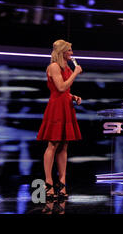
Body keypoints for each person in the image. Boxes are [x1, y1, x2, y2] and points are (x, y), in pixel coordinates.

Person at [36, 39, 83, 200]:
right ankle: (48, 183)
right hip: (56, 108)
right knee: (53, 143)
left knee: (64, 144)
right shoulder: (54, 67)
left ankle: (62, 183)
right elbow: (60, 87)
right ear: (62, 51)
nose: (71, 53)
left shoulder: (66, 67)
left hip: (66, 107)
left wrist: (73, 96)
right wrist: (76, 73)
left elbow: (65, 91)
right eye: (69, 50)